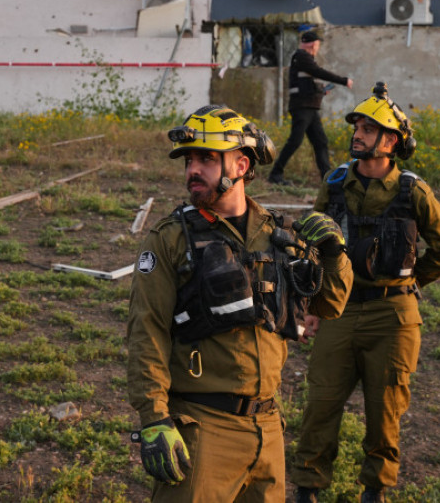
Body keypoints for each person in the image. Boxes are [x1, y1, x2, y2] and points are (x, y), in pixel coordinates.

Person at [126, 105, 353, 502]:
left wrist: (334, 254)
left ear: (241, 165)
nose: (193, 170)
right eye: (189, 160)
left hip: (268, 429)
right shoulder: (170, 239)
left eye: (206, 159)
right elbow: (147, 331)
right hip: (202, 429)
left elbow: (329, 305)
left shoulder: (279, 235)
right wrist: (154, 418)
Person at [291, 82, 440, 503]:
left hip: (393, 317)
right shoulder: (335, 184)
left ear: (391, 141)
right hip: (339, 311)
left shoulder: (413, 191)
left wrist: (410, 281)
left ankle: (375, 490)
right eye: (357, 127)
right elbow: (312, 245)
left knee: (385, 411)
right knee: (321, 404)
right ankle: (307, 488)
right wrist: (313, 304)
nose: (358, 135)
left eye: (368, 129)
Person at [268, 30, 353, 186]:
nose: (318, 48)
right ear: (313, 45)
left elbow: (306, 83)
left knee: (321, 142)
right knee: (295, 140)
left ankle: (327, 180)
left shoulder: (304, 59)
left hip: (310, 107)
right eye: (318, 45)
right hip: (302, 107)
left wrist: (321, 90)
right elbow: (317, 72)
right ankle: (275, 174)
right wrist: (343, 80)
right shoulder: (301, 56)